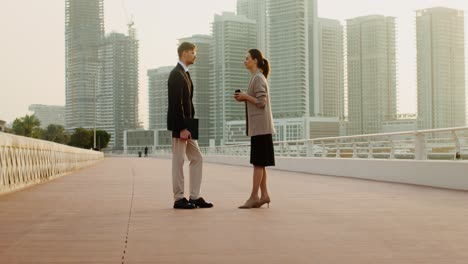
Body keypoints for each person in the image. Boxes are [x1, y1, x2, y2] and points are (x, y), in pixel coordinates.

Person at [167, 42, 213, 210]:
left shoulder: (185, 74)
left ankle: (194, 196)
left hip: (188, 125)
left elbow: (187, 103)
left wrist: (190, 126)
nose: (195, 55)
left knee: (197, 157)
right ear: (184, 53)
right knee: (178, 161)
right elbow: (175, 104)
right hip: (181, 126)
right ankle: (179, 198)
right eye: (193, 53)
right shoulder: (176, 74)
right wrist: (181, 128)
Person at [234, 49, 276, 209]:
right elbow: (258, 101)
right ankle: (264, 195)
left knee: (258, 164)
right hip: (260, 128)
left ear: (255, 61)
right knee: (260, 163)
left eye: (247, 58)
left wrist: (245, 96)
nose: (245, 61)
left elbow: (261, 102)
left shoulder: (258, 78)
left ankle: (253, 197)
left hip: (261, 129)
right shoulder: (257, 77)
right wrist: (244, 97)